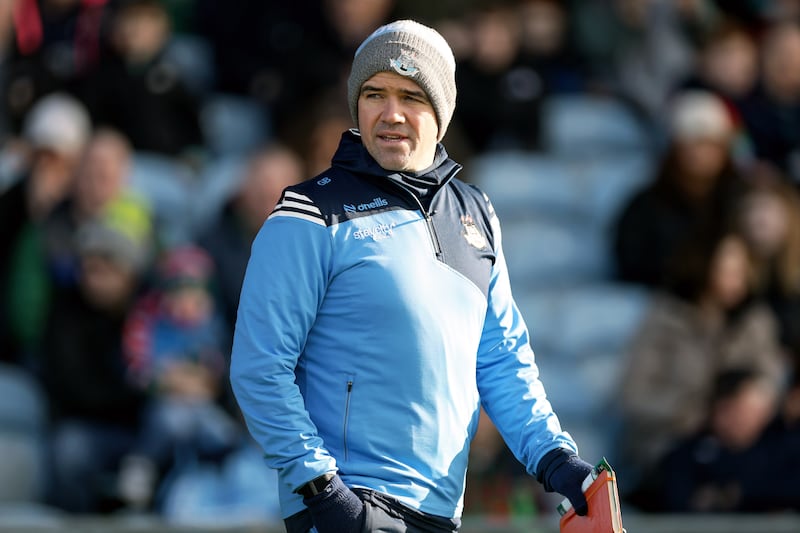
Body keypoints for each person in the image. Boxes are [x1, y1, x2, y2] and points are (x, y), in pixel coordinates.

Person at [230, 19, 594, 533]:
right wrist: (323, 490)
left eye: (411, 96)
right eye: (374, 93)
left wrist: (557, 459)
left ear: (441, 113)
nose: (391, 113)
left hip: (441, 515)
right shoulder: (308, 214)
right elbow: (259, 369)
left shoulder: (477, 212)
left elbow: (501, 358)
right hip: (345, 509)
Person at [614, 226, 788, 511]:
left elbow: (770, 378)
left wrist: (755, 403)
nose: (736, 280)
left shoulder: (755, 321)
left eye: (741, 270)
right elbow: (633, 396)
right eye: (727, 270)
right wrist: (699, 413)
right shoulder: (664, 319)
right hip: (674, 445)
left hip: (745, 447)